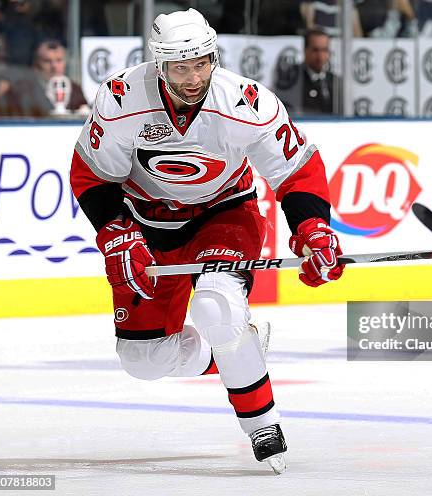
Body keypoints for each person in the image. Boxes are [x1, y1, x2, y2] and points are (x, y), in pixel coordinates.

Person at [69, 8, 344, 474]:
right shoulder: (121, 98)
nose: (194, 77)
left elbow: (295, 170)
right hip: (146, 223)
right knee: (144, 361)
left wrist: (312, 227)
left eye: (202, 63)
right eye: (181, 66)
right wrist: (115, 232)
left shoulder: (243, 101)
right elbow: (91, 174)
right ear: (159, 64)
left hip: (224, 214)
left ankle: (262, 422)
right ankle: (239, 345)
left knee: (218, 307)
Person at [277, 28, 340, 115]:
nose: (320, 56)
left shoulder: (336, 82)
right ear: (305, 50)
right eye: (315, 50)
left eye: (324, 50)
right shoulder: (291, 79)